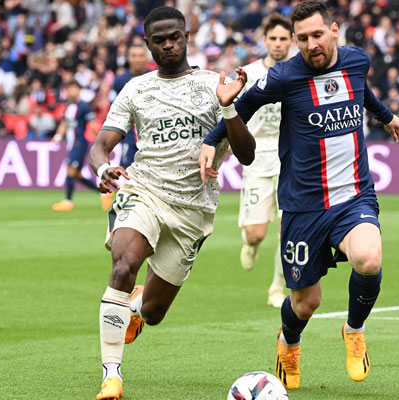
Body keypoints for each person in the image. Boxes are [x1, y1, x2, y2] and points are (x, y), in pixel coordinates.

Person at [199, 0, 399, 390]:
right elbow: (241, 106)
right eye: (302, 39)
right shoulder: (284, 76)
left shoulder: (356, 60)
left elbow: (361, 92)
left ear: (333, 30)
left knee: (368, 257)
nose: (311, 44)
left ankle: (354, 329)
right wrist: (213, 140)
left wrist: (386, 116)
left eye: (317, 35)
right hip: (303, 205)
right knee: (304, 304)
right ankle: (288, 342)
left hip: (353, 196)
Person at [88, 7, 252, 400]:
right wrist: (103, 168)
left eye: (174, 37)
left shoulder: (216, 84)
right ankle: (112, 374)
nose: (168, 45)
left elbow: (246, 153)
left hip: (193, 209)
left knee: (154, 314)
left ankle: (137, 307)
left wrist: (228, 107)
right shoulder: (136, 89)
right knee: (124, 263)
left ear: (186, 36)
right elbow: (100, 146)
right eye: (159, 40)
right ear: (148, 44)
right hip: (144, 190)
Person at [237, 13, 294, 308]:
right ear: (265, 41)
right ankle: (251, 244)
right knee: (257, 233)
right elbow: (234, 117)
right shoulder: (248, 74)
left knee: (288, 228)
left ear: (292, 41)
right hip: (257, 159)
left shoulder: (300, 71)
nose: (278, 44)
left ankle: (277, 287)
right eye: (273, 38)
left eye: (284, 38)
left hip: (291, 159)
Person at [51, 80, 111, 212]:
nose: (72, 91)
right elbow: (64, 123)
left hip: (80, 142)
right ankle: (105, 193)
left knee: (70, 169)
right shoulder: (68, 106)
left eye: (74, 89)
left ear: (79, 90)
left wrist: (100, 140)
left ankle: (68, 201)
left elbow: (93, 123)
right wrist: (57, 136)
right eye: (69, 89)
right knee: (77, 175)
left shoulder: (84, 106)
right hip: (72, 143)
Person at [112, 45, 150, 169]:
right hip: (129, 135)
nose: (137, 59)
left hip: (151, 134)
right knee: (127, 171)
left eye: (141, 55)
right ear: (128, 58)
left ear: (146, 57)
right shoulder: (119, 81)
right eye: (134, 56)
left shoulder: (155, 77)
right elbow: (116, 109)